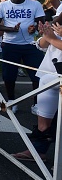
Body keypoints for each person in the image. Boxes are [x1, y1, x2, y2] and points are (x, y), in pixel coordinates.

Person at [12, 21, 62, 161]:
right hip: (49, 78)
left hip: (55, 80)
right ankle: (38, 151)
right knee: (43, 119)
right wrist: (48, 34)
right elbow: (41, 45)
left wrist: (53, 39)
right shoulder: (59, 26)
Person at [0, 0, 45, 113]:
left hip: (31, 45)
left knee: (37, 76)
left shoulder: (35, 4)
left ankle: (36, 104)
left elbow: (41, 22)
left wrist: (35, 29)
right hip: (10, 44)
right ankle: (11, 101)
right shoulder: (2, 5)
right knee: (9, 76)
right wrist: (10, 29)